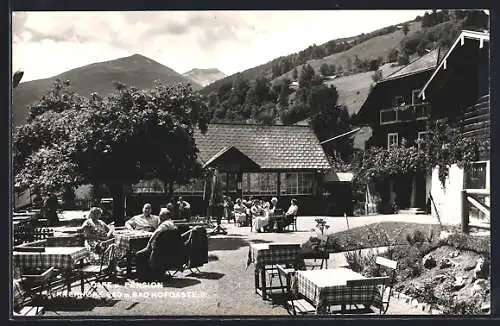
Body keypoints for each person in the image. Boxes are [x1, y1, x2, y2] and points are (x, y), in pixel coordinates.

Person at [135, 206, 178, 281]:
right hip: (167, 249)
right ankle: (150, 273)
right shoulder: (171, 223)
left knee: (139, 254)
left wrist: (149, 244)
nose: (159, 217)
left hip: (158, 250)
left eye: (161, 216)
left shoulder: (165, 224)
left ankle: (142, 277)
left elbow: (156, 232)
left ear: (166, 216)